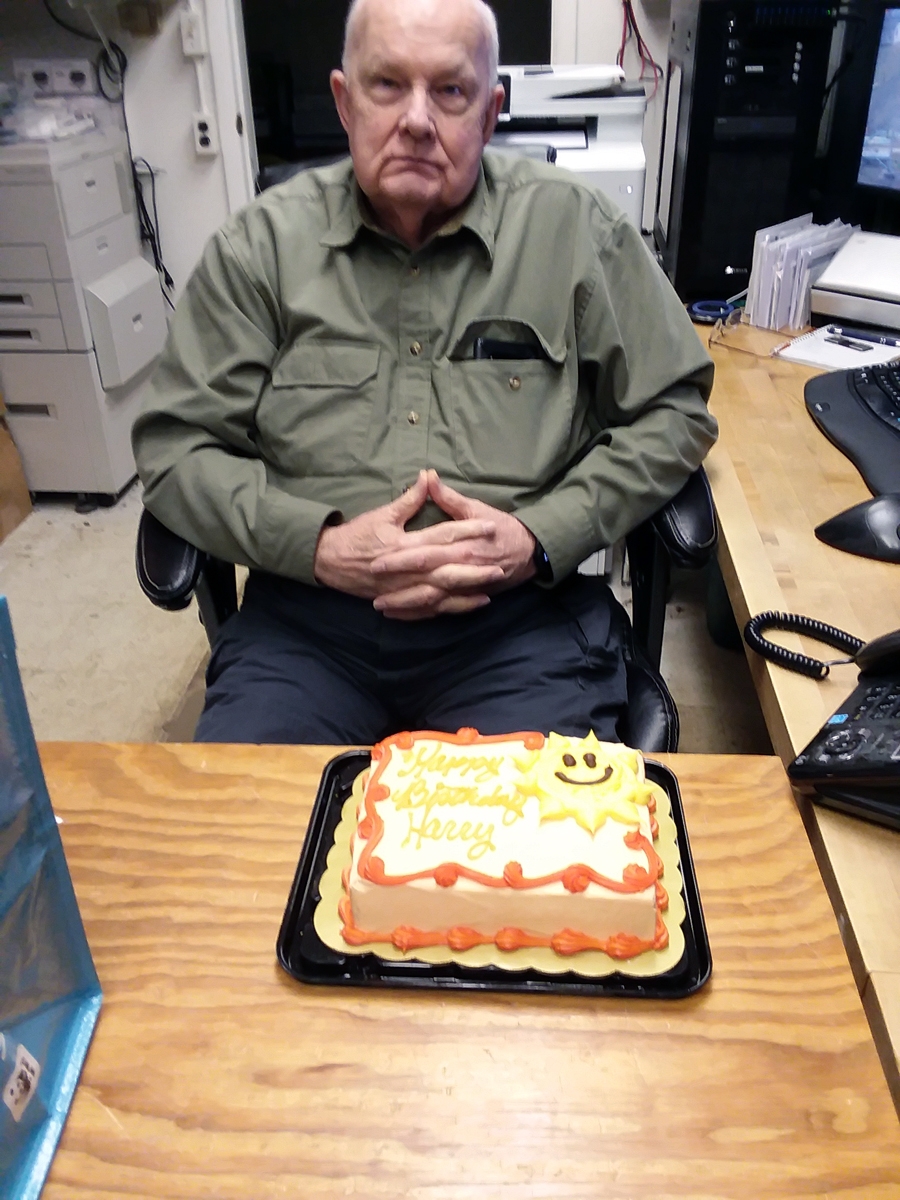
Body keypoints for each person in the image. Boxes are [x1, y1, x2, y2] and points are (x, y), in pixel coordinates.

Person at [132, 0, 717, 745]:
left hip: (519, 629)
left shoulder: (577, 233)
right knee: (254, 817)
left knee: (528, 821)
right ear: (345, 102)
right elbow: (176, 448)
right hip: (308, 631)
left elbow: (676, 410)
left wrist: (540, 536)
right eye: (387, 85)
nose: (416, 119)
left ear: (491, 112)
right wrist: (318, 546)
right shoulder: (260, 250)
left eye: (450, 90)